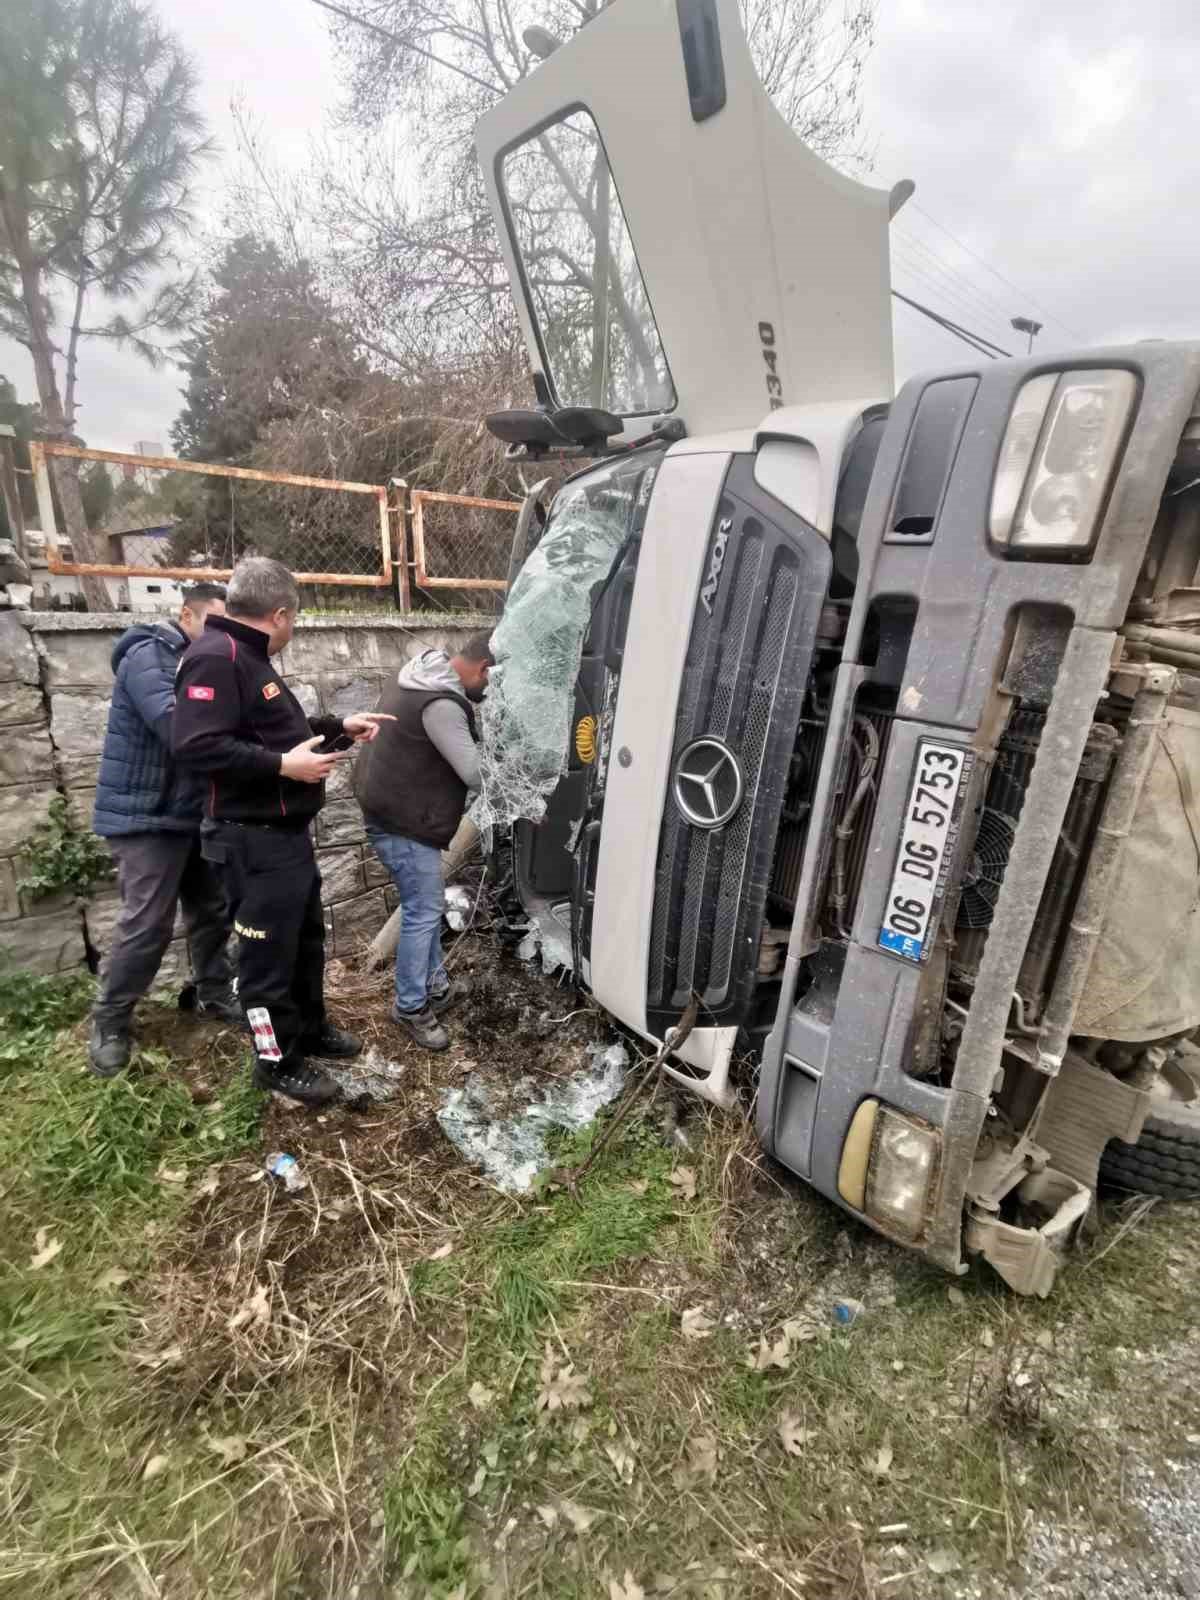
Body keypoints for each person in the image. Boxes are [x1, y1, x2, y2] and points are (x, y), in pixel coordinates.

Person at [170, 557, 392, 1106]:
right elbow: (195, 746)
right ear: (281, 614)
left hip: (283, 838)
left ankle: (310, 1028)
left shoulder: (247, 657)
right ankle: (275, 1061)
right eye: (294, 622)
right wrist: (281, 769)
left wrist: (338, 729)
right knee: (265, 960)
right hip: (250, 840)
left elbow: (276, 734)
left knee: (304, 942)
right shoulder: (216, 659)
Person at [89, 582, 238, 1078]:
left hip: (192, 812)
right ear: (186, 617)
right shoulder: (148, 658)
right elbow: (181, 730)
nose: (219, 635)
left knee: (212, 907)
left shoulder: (207, 662)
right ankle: (110, 1020)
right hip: (145, 816)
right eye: (212, 624)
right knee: (148, 922)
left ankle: (213, 992)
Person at [356, 633, 493, 1051]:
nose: (488, 691)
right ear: (484, 669)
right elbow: (475, 773)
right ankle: (411, 1006)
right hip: (403, 822)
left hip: (391, 809)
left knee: (426, 903)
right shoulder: (442, 704)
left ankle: (434, 987)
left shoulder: (422, 674)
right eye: (491, 682)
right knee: (423, 909)